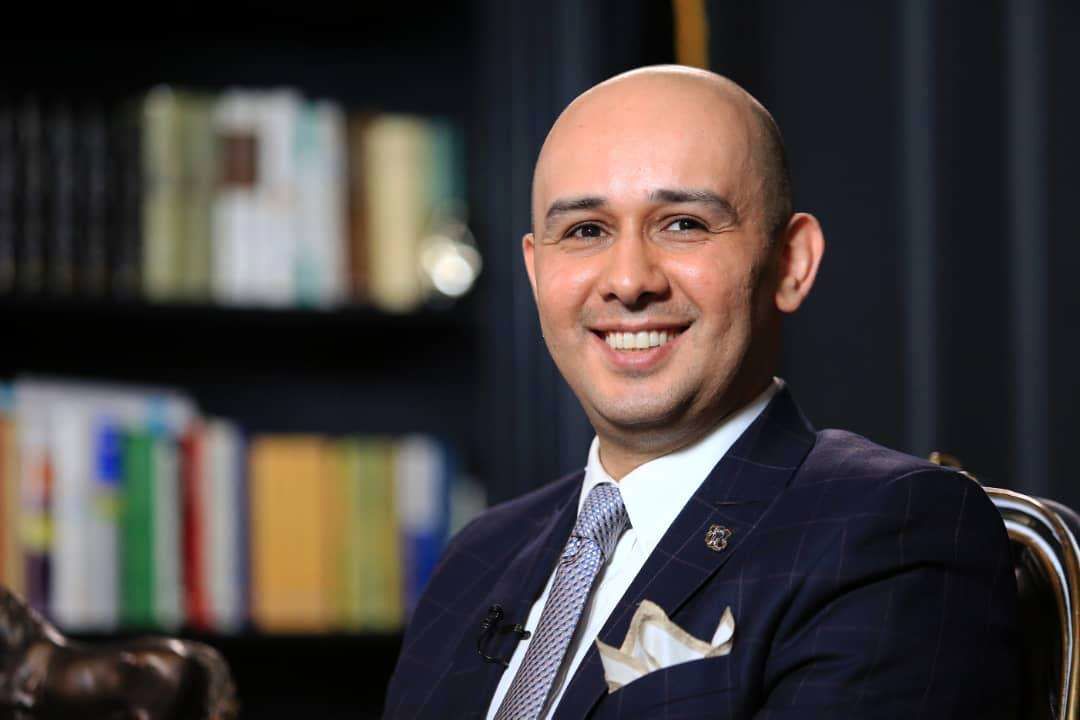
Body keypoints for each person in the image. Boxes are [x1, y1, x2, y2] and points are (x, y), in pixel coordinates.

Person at [383, 65, 1020, 719]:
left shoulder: (894, 531)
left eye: (683, 224)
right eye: (585, 231)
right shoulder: (478, 555)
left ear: (791, 262)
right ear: (536, 269)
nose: (628, 281)